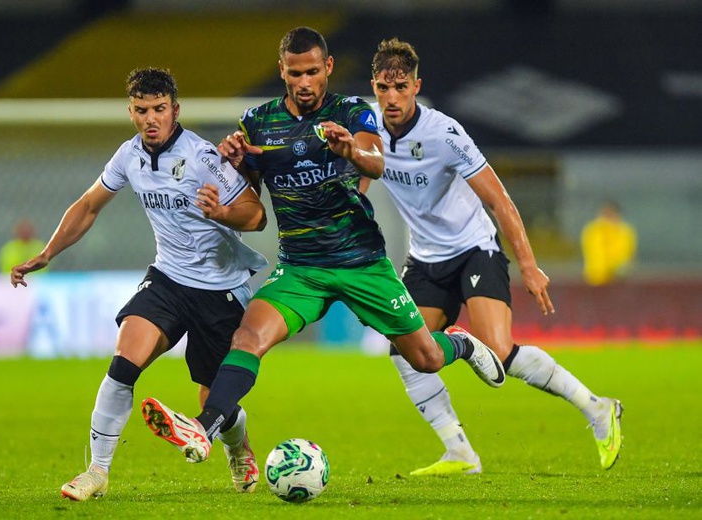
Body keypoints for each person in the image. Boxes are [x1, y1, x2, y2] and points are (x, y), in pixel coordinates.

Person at [139, 27, 506, 465]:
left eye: (313, 71)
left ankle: (461, 344)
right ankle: (203, 427)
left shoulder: (351, 111)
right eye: (295, 73)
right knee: (248, 335)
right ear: (283, 71)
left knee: (426, 357)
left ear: (328, 67)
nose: (305, 82)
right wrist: (237, 167)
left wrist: (350, 150)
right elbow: (252, 210)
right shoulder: (258, 121)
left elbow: (377, 161)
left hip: (360, 262)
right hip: (300, 268)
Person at [363, 38, 623, 475]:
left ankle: (598, 408)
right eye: (384, 88)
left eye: (401, 87)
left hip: (473, 249)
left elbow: (501, 202)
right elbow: (360, 183)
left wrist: (528, 266)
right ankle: (460, 452)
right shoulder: (365, 129)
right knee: (405, 348)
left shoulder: (444, 134)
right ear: (374, 86)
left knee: (498, 353)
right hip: (425, 257)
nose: (392, 98)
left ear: (415, 86)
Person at [10, 67, 269, 500]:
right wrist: (48, 252)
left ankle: (237, 444)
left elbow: (256, 214)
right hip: (167, 279)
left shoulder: (204, 157)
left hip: (220, 290)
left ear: (175, 110)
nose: (151, 118)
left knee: (213, 401)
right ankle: (96, 472)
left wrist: (221, 213)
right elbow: (90, 205)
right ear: (130, 112)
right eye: (142, 110)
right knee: (123, 364)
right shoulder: (128, 155)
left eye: (160, 109)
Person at [581, 201, 637, 286]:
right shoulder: (593, 230)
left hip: (620, 280)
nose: (608, 218)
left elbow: (628, 255)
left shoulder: (625, 231)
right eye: (606, 214)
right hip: (596, 280)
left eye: (611, 214)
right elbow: (595, 254)